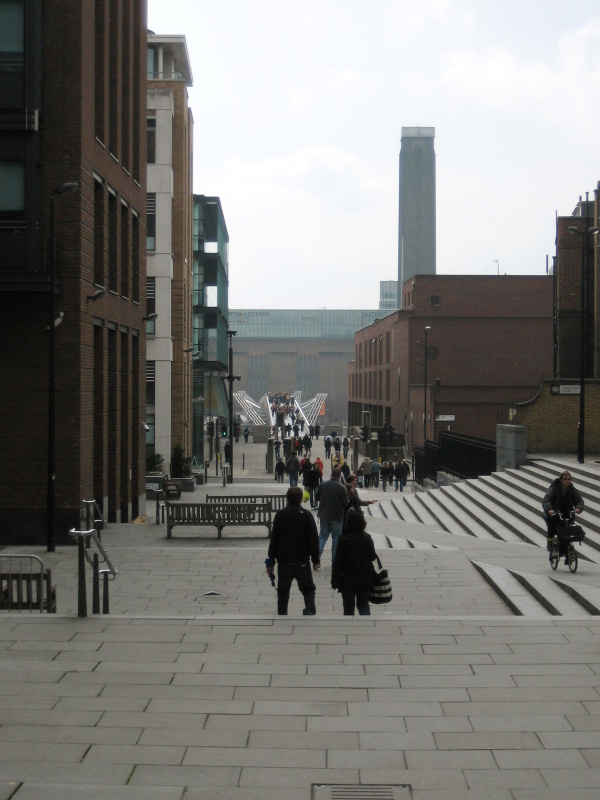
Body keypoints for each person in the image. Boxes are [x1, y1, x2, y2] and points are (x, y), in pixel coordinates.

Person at [266, 487, 321, 615]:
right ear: (301, 499)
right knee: (308, 588)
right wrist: (316, 560)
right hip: (302, 561)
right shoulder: (306, 515)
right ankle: (310, 609)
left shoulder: (280, 515)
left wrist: (270, 562)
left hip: (284, 561)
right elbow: (313, 539)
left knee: (283, 590)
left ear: (287, 498)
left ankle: (282, 612)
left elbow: (274, 540)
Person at [331, 510, 377, 616]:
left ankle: (349, 627)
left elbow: (338, 561)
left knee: (348, 608)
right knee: (364, 605)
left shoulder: (343, 539)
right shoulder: (367, 537)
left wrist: (335, 581)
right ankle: (366, 626)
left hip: (347, 578)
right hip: (365, 577)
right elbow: (372, 556)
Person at [542, 471, 584, 550]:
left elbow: (579, 501)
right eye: (565, 479)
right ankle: (550, 541)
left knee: (568, 529)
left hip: (567, 512)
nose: (567, 481)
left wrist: (578, 508)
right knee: (552, 527)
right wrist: (550, 509)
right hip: (554, 512)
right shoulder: (554, 489)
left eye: (569, 479)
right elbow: (546, 499)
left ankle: (566, 549)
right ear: (561, 479)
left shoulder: (572, 490)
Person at [314, 466, 349, 562]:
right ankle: (334, 559)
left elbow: (317, 497)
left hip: (323, 514)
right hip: (336, 516)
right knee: (336, 537)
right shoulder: (342, 487)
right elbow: (345, 503)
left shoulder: (323, 484)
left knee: (322, 536)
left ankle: (318, 553)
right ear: (339, 476)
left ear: (331, 474)